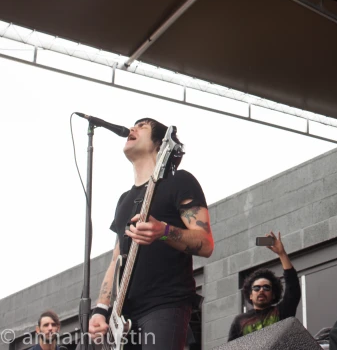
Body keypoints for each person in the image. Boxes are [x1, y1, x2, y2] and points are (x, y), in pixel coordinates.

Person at [88, 118, 214, 349]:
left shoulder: (179, 181)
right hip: (124, 316)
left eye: (142, 126)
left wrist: (164, 231)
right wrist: (100, 309)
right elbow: (116, 259)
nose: (132, 128)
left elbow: (205, 243)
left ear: (159, 143)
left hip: (166, 304)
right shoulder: (123, 201)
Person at [228, 231, 301, 340]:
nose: (261, 290)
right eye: (256, 288)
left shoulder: (281, 312)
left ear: (273, 294)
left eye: (266, 287)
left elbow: (293, 288)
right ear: (250, 295)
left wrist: (282, 254)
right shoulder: (239, 321)